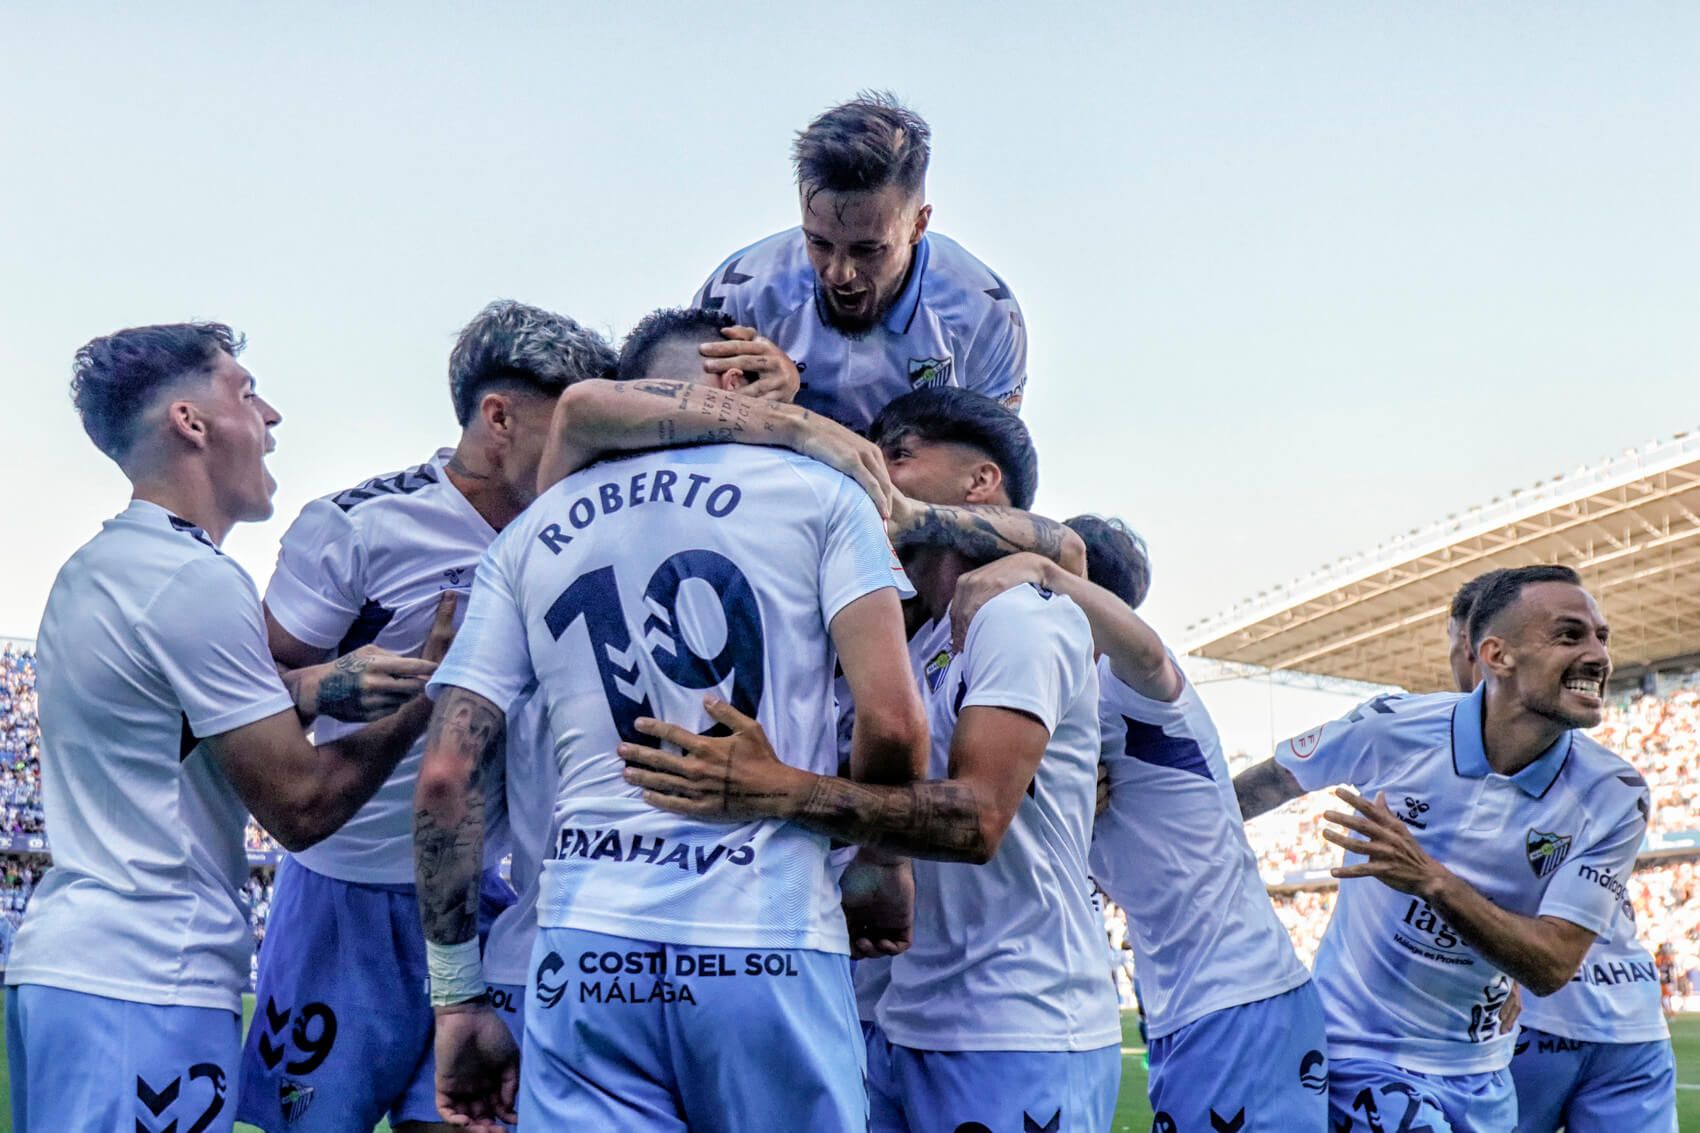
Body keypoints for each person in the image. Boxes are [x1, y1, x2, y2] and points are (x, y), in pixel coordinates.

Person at [412, 305, 930, 1130]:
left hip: (587, 949)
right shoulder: (822, 491)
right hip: (765, 936)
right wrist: (879, 857)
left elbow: (444, 778)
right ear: (734, 381)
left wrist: (456, 997)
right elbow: (897, 725)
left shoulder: (527, 534)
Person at [622, 388, 1122, 1133]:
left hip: (1018, 1023)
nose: (866, 470)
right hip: (902, 1017)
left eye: (897, 454)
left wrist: (776, 790)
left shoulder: (1024, 616)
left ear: (979, 482)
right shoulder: (910, 639)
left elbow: (975, 820)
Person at [5, 323, 451, 1133]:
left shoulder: (100, 567)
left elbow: (157, 726)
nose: (271, 415)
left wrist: (304, 688)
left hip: (79, 966)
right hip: (148, 977)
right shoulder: (195, 580)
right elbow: (302, 804)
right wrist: (435, 686)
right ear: (192, 421)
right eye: (246, 391)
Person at [235, 300, 616, 1133]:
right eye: (574, 422)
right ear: (499, 415)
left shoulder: (588, 534)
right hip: (346, 897)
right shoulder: (358, 526)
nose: (594, 448)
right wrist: (361, 686)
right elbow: (255, 694)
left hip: (483, 898)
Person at [1233, 565, 1651, 1133]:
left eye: (1603, 636)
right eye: (1570, 635)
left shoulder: (1614, 795)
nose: (1599, 654)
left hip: (1483, 1070)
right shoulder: (1391, 726)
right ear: (1497, 655)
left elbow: (1552, 964)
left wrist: (1430, 878)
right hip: (1359, 1052)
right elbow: (1257, 789)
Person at [948, 516, 1329, 1131]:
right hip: (1184, 1004)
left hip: (1238, 995)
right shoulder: (1061, 710)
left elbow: (1148, 653)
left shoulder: (1127, 682)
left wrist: (1045, 570)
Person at [1438, 574, 1678, 1133]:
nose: (1459, 671)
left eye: (1459, 650)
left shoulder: (1455, 763)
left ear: (1489, 653)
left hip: (1529, 1019)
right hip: (1629, 1015)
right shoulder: (1601, 779)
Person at [694, 92, 1029, 433]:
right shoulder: (740, 294)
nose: (839, 273)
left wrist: (794, 416)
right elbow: (670, 438)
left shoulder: (987, 315)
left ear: (918, 226)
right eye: (818, 242)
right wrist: (751, 405)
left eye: (868, 249)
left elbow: (986, 471)